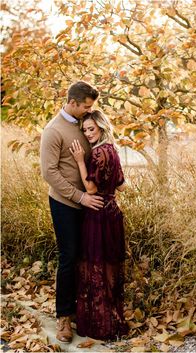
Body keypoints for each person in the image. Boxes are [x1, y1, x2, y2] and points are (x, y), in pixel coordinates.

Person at [40, 81, 104, 343]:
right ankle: (64, 317)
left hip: (90, 201)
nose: (89, 110)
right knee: (69, 257)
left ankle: (83, 310)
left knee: (86, 258)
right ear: (73, 102)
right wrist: (80, 197)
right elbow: (49, 173)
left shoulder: (83, 122)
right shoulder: (53, 130)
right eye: (86, 106)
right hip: (66, 204)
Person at [70, 110, 128, 340]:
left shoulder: (96, 154)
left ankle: (98, 326)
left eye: (91, 129)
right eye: (84, 130)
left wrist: (79, 161)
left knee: (95, 267)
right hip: (113, 212)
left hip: (97, 215)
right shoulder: (113, 150)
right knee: (109, 266)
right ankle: (113, 321)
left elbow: (91, 189)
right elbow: (123, 186)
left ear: (102, 127)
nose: (88, 133)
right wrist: (109, 190)